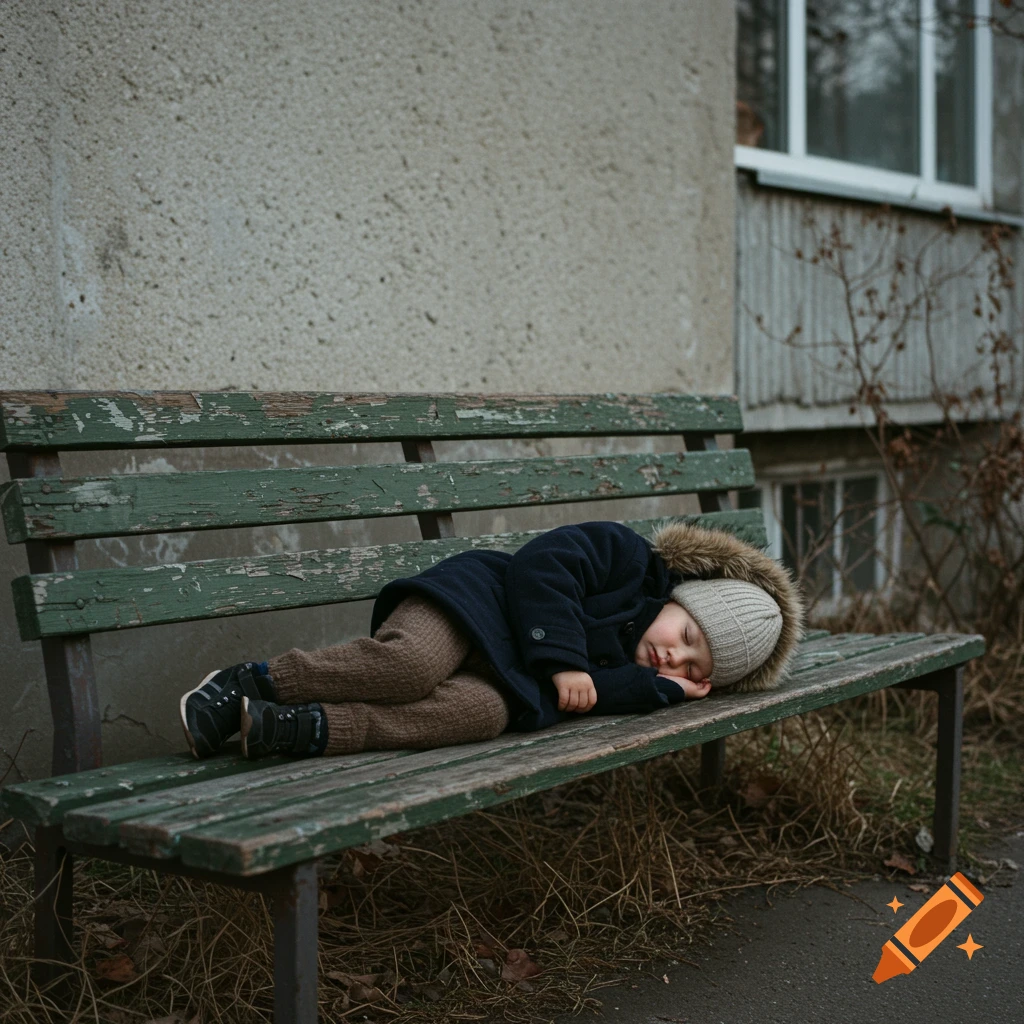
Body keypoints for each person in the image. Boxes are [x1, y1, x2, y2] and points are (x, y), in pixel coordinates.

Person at [180, 519, 805, 761]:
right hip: (475, 604)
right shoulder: (627, 560)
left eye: (696, 664)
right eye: (687, 633)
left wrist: (657, 690)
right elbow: (545, 562)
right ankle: (253, 681)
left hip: (502, 677)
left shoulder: (646, 671)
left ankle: (298, 727)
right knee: (413, 666)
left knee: (482, 714)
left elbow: (582, 700)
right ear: (680, 597)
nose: (677, 653)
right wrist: (562, 659)